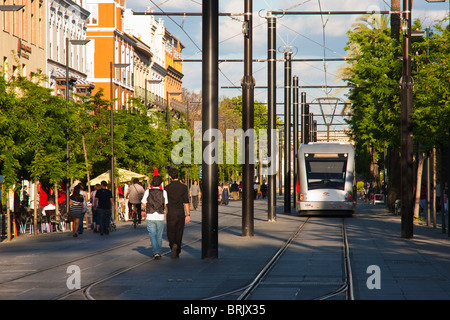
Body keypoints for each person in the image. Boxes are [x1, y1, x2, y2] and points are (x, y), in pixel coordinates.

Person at [165, 167, 190, 259]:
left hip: (171, 213)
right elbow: (186, 202)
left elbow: (165, 202)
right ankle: (177, 248)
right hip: (180, 213)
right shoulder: (184, 187)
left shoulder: (167, 188)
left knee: (170, 231)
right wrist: (188, 214)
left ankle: (172, 244)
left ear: (170, 176)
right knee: (179, 232)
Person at [142, 175, 168, 260]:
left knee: (152, 235)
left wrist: (148, 206)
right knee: (159, 235)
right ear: (160, 183)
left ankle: (156, 252)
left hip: (150, 215)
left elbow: (143, 202)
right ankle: (158, 251)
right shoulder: (164, 192)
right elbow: (165, 204)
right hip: (160, 215)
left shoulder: (147, 191)